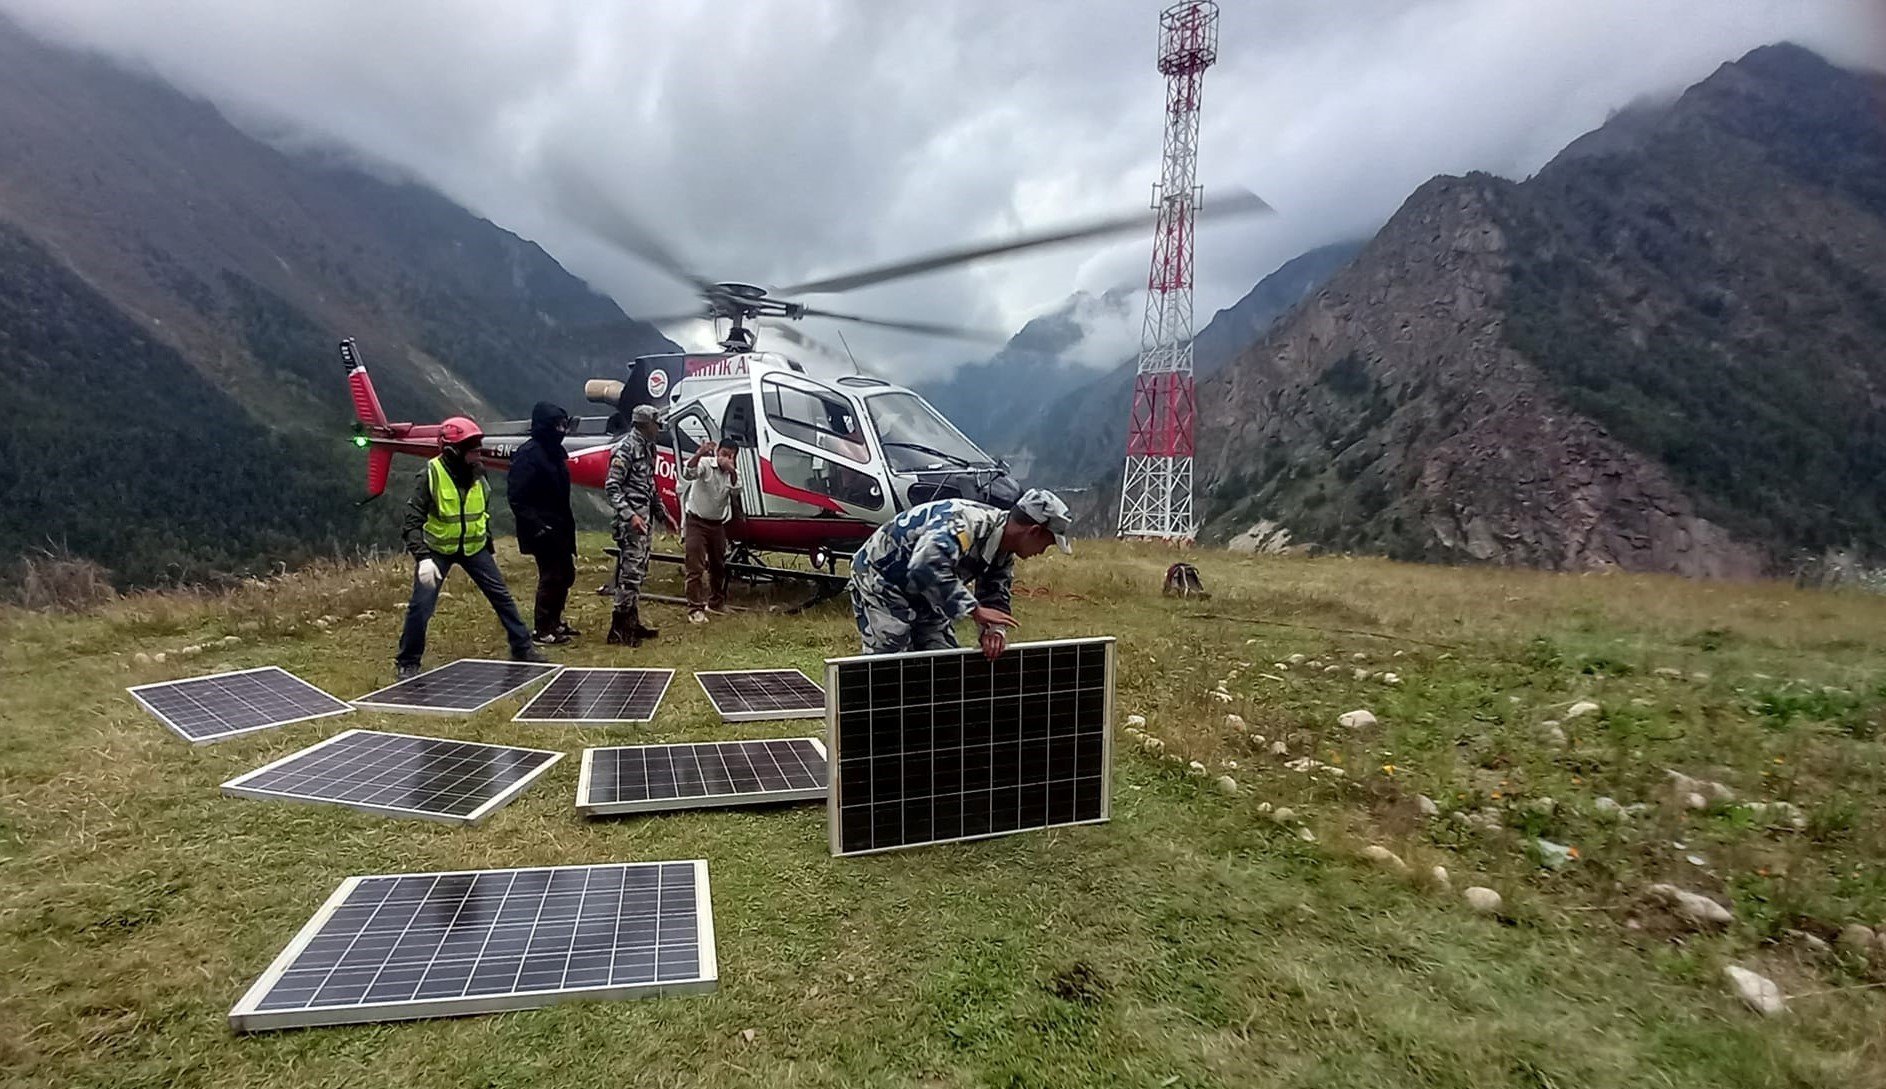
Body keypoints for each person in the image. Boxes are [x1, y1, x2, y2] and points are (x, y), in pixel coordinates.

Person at [394, 416, 545, 678]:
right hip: (438, 550)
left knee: (501, 597)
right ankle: (408, 662)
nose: (477, 454)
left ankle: (522, 648)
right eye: (472, 449)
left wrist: (486, 539)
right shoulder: (430, 475)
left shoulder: (477, 472)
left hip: (474, 548)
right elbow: (411, 522)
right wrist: (423, 558)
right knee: (421, 606)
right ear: (453, 451)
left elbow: (480, 508)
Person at [849, 488, 1073, 660]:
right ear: (1034, 532)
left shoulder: (1003, 549)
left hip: (925, 591)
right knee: (891, 658)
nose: (1043, 551)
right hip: (881, 579)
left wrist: (994, 632)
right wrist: (974, 610)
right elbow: (925, 565)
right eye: (1047, 543)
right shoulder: (966, 523)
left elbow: (995, 594)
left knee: (943, 657)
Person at [505, 402, 579, 644]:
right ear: (545, 426)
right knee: (551, 576)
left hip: (560, 525)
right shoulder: (528, 456)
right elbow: (517, 498)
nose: (562, 431)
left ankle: (556, 622)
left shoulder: (554, 452)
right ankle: (543, 628)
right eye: (557, 425)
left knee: (566, 574)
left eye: (564, 425)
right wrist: (538, 526)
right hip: (541, 530)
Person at [604, 403, 663, 646]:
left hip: (644, 518)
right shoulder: (626, 448)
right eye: (655, 423)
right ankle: (618, 629)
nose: (658, 428)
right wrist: (631, 515)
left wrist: (659, 510)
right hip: (631, 523)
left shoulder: (649, 448)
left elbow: (649, 483)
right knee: (629, 574)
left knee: (638, 571)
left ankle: (632, 622)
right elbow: (612, 487)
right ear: (644, 423)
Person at [680, 440, 738, 624]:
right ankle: (695, 608)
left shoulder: (733, 473)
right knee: (695, 565)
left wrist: (732, 471)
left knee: (718, 565)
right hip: (696, 521)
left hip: (717, 524)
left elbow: (737, 491)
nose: (725, 458)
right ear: (717, 452)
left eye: (730, 455)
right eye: (723, 453)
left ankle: (716, 603)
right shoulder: (705, 464)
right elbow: (688, 473)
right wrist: (699, 454)